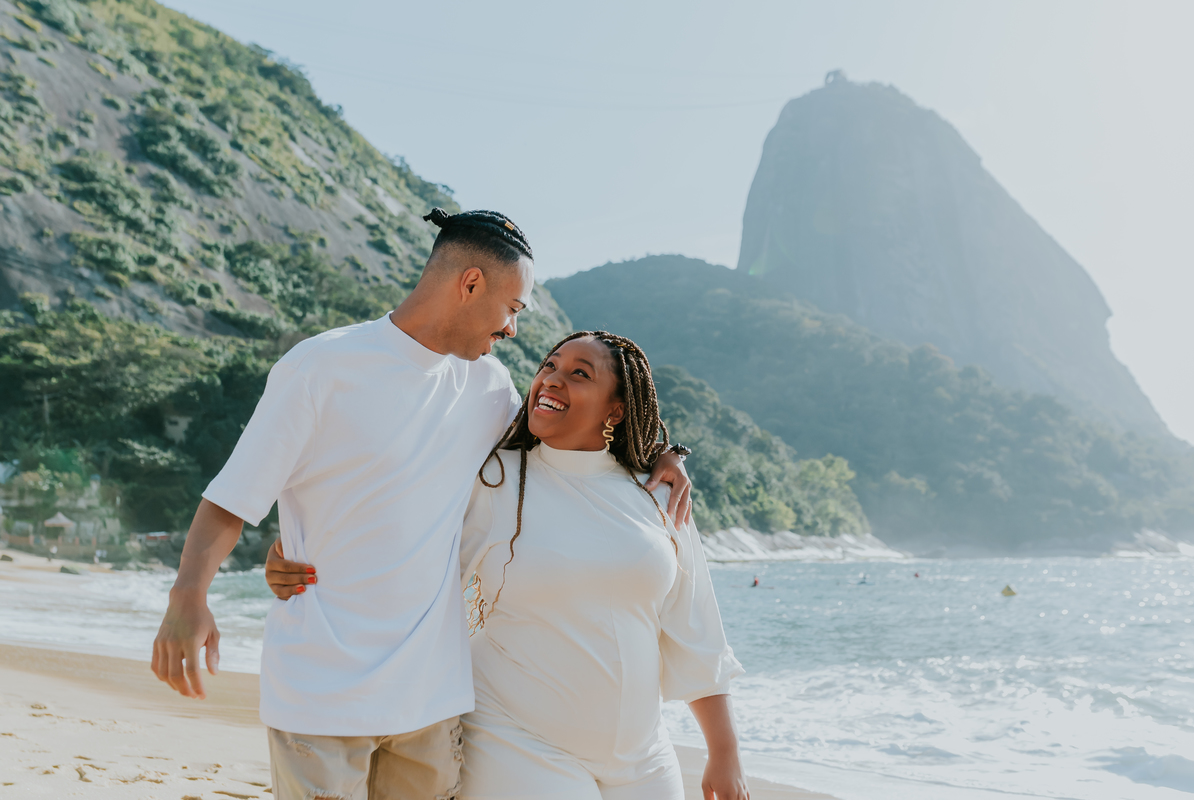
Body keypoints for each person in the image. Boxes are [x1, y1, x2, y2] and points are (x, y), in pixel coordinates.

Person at [151, 210, 693, 800]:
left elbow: (565, 451)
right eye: (513, 307)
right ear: (470, 284)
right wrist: (188, 597)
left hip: (432, 701)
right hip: (322, 691)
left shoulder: (488, 388)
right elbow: (233, 498)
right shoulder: (322, 367)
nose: (512, 328)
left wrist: (662, 454)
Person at [268, 331, 748, 800]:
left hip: (643, 755)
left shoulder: (661, 494)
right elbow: (400, 544)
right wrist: (303, 556)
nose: (552, 379)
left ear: (616, 409)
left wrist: (724, 752)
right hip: (516, 739)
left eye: (579, 374)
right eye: (549, 366)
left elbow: (696, 630)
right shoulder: (494, 478)